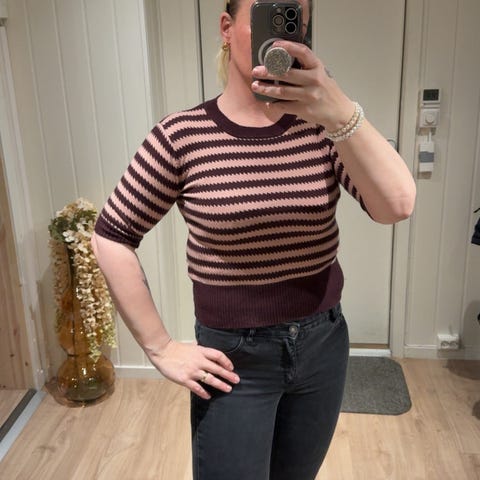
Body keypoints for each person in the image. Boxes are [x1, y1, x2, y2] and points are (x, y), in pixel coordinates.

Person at [91, 0, 416, 478]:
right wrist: (160, 347)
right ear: (227, 28)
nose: (282, 36)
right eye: (268, 16)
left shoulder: (324, 128)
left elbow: (397, 205)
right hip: (233, 357)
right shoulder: (182, 135)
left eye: (295, 21)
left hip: (323, 344)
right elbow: (112, 234)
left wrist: (339, 107)